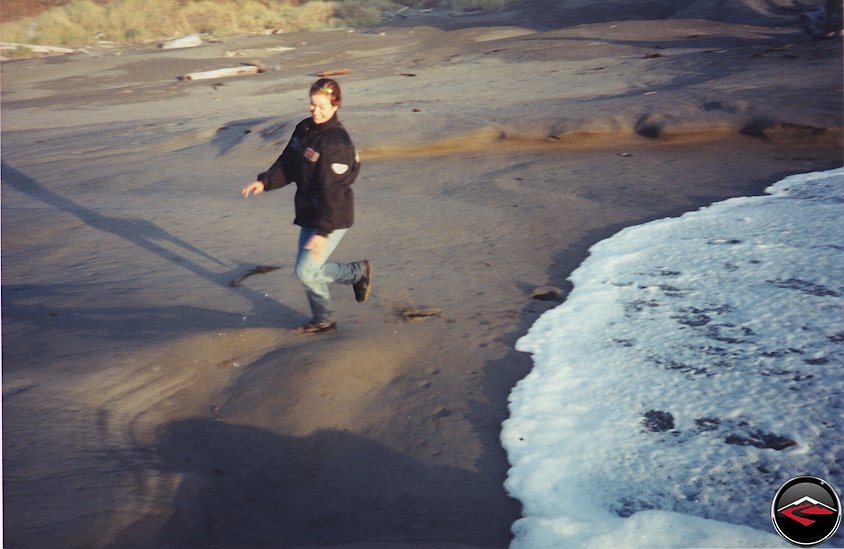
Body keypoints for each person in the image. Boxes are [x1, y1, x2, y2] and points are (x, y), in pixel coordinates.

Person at [242, 78, 371, 334]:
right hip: (310, 212)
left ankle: (356, 273)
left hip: (332, 216)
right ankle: (324, 319)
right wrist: (265, 182)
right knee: (308, 272)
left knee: (306, 271)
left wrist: (323, 234)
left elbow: (333, 192)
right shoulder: (305, 128)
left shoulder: (336, 143)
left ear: (336, 105)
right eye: (312, 104)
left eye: (322, 106)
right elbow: (288, 163)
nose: (315, 110)